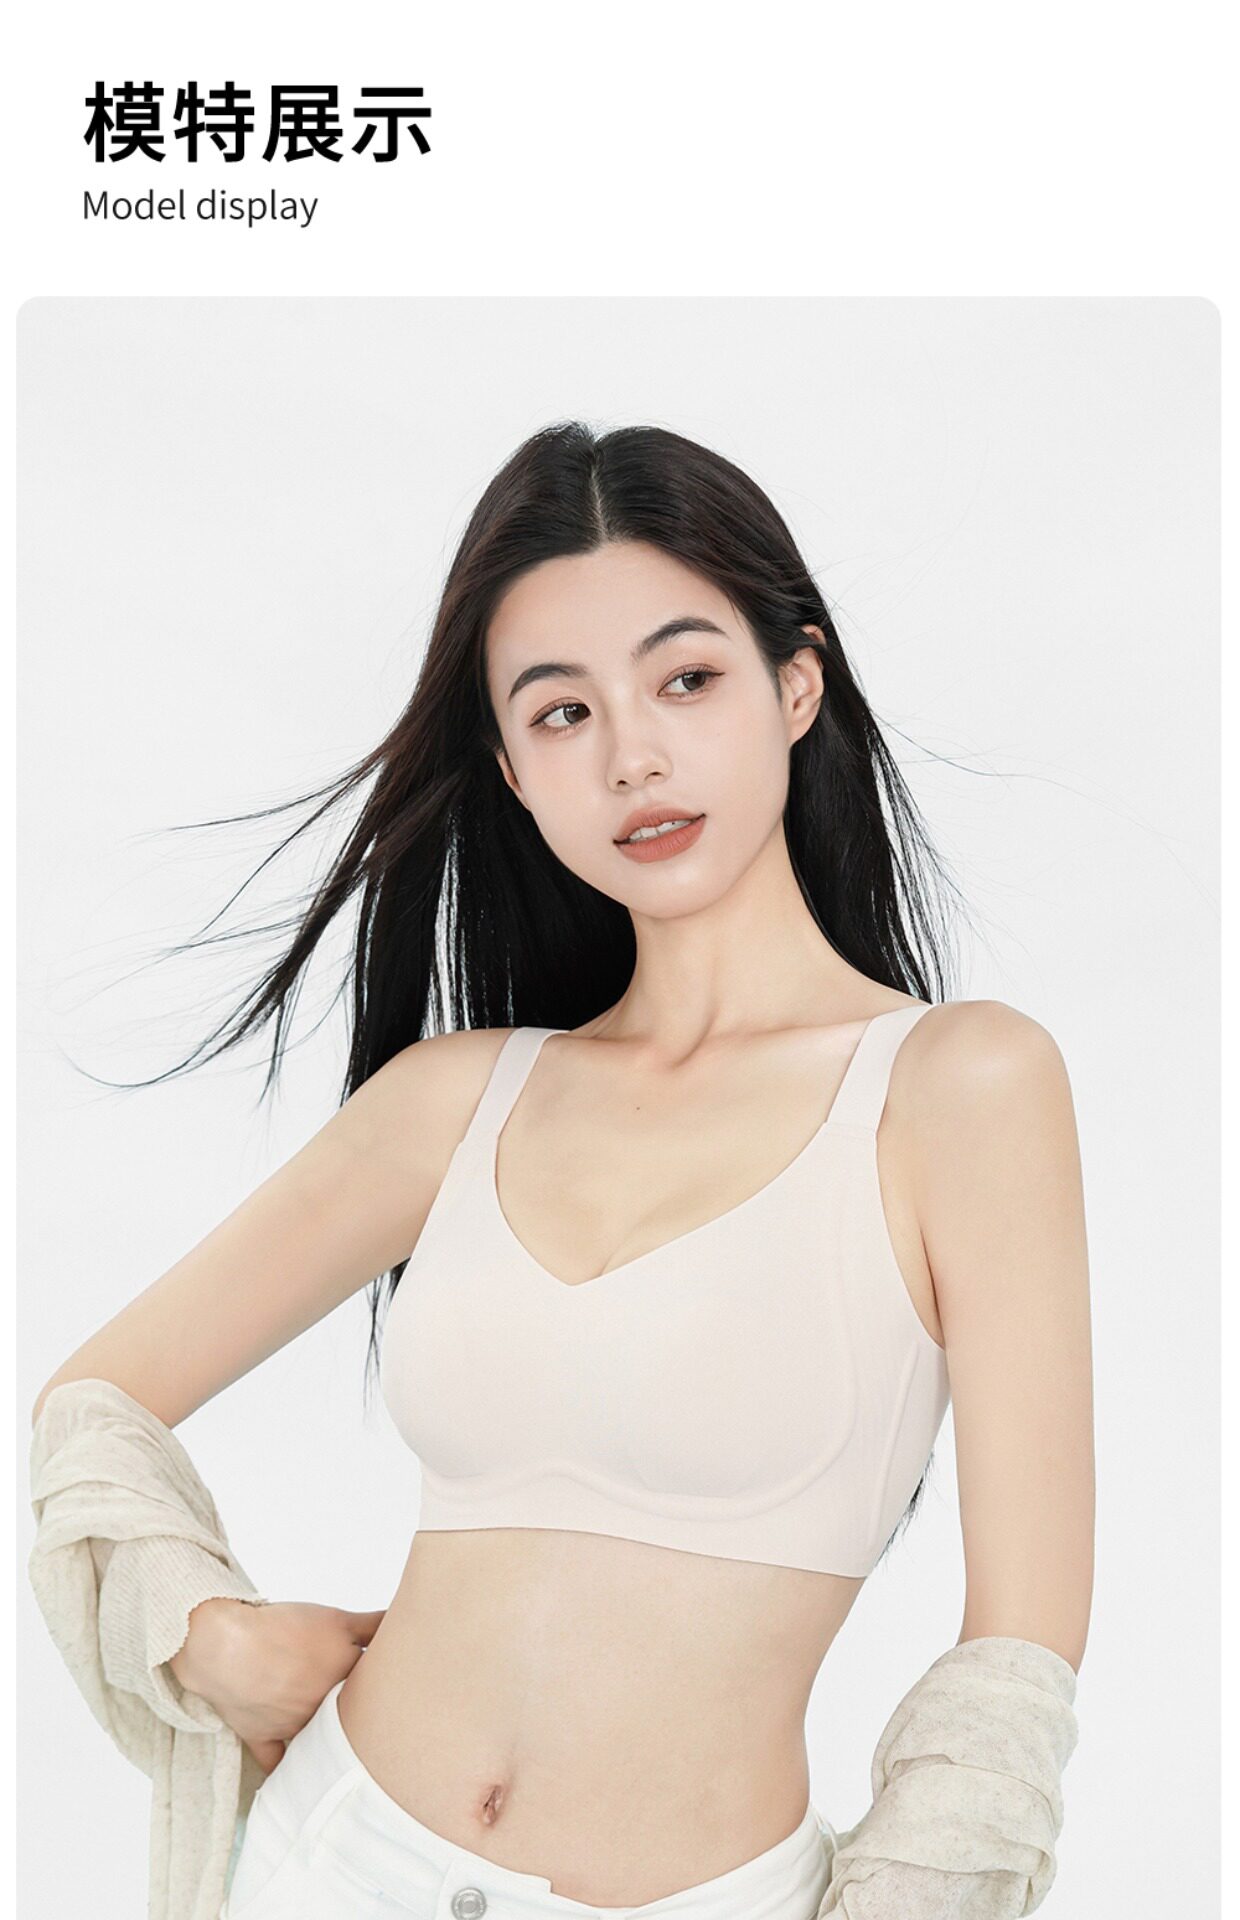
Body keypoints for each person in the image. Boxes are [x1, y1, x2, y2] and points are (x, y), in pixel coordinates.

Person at [31, 422, 1094, 1920]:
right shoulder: (457, 1099)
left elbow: (1018, 1658)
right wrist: (204, 1632)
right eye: (561, 712)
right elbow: (95, 1402)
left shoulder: (959, 1088)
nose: (631, 756)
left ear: (797, 685)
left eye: (686, 680)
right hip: (327, 1864)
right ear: (514, 772)